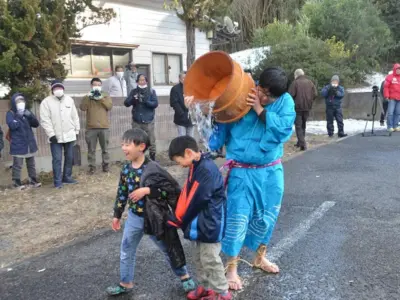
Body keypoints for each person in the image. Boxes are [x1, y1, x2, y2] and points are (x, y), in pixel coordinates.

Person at [186, 67, 295, 291]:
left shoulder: (285, 102)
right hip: (242, 171)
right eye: (262, 91)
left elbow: (282, 131)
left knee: (268, 215)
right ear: (258, 83)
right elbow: (219, 129)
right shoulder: (240, 92)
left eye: (269, 96)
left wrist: (258, 107)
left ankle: (259, 256)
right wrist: (200, 107)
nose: (264, 97)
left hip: (271, 171)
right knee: (238, 218)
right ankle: (232, 268)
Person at [106, 128, 196, 296]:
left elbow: (170, 190)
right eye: (122, 145)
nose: (123, 148)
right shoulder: (126, 169)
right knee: (126, 249)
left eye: (127, 144)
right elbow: (122, 193)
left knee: (167, 247)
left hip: (155, 217)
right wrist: (117, 215)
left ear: (141, 146)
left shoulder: (154, 168)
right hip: (134, 218)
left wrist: (148, 190)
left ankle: (184, 276)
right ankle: (125, 283)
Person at [168, 136, 232, 300]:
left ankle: (223, 293)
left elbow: (196, 200)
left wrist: (180, 220)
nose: (179, 164)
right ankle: (206, 287)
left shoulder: (206, 169)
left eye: (178, 160)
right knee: (199, 257)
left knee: (210, 258)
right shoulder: (196, 165)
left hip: (211, 222)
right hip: (200, 222)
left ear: (188, 153)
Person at [40, 80, 80, 188]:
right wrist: (51, 134)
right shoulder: (46, 102)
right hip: (55, 137)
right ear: (52, 90)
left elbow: (74, 116)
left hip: (70, 134)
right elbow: (45, 120)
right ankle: (57, 181)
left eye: (60, 88)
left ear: (63, 89)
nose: (58, 90)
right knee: (57, 159)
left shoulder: (69, 100)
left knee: (69, 157)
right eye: (55, 88)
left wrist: (77, 130)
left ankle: (67, 177)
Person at [6, 93, 41, 189]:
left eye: (22, 101)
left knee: (31, 164)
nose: (20, 103)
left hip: (29, 143)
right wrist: (18, 116)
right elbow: (12, 126)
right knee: (17, 165)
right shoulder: (10, 113)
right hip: (18, 144)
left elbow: (36, 124)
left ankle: (33, 181)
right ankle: (16, 183)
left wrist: (30, 116)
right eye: (18, 101)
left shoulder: (27, 111)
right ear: (14, 103)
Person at [80, 78, 113, 174]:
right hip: (91, 127)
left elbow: (109, 106)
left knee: (105, 148)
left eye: (99, 85)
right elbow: (82, 108)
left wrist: (101, 98)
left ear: (101, 85)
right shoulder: (88, 96)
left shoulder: (105, 95)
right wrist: (88, 96)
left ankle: (106, 165)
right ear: (91, 86)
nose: (97, 86)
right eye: (95, 85)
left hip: (104, 126)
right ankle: (92, 167)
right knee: (91, 149)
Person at [124, 74, 158, 161]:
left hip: (148, 120)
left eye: (143, 80)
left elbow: (155, 104)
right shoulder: (134, 91)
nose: (142, 82)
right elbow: (126, 103)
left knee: (151, 140)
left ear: (146, 81)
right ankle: (137, 158)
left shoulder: (151, 91)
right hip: (137, 121)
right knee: (136, 140)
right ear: (137, 81)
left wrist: (147, 101)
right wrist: (133, 99)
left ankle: (152, 159)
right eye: (140, 80)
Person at [288, 69, 318, 150]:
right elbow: (315, 94)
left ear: (296, 75)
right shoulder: (310, 82)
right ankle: (300, 142)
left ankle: (302, 143)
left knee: (298, 126)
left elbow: (290, 95)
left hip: (297, 108)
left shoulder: (295, 83)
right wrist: (310, 101)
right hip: (307, 107)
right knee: (303, 125)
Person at [170, 71, 194, 137]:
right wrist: (182, 113)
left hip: (191, 118)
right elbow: (174, 103)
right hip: (181, 118)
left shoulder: (192, 88)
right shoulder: (175, 89)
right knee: (182, 138)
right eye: (183, 78)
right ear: (180, 79)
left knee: (190, 138)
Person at [384, 64, 400, 132]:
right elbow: (386, 87)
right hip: (392, 98)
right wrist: (386, 96)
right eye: (398, 69)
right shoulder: (389, 77)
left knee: (398, 113)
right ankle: (389, 126)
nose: (399, 71)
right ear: (395, 69)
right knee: (390, 113)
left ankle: (395, 126)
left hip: (399, 99)